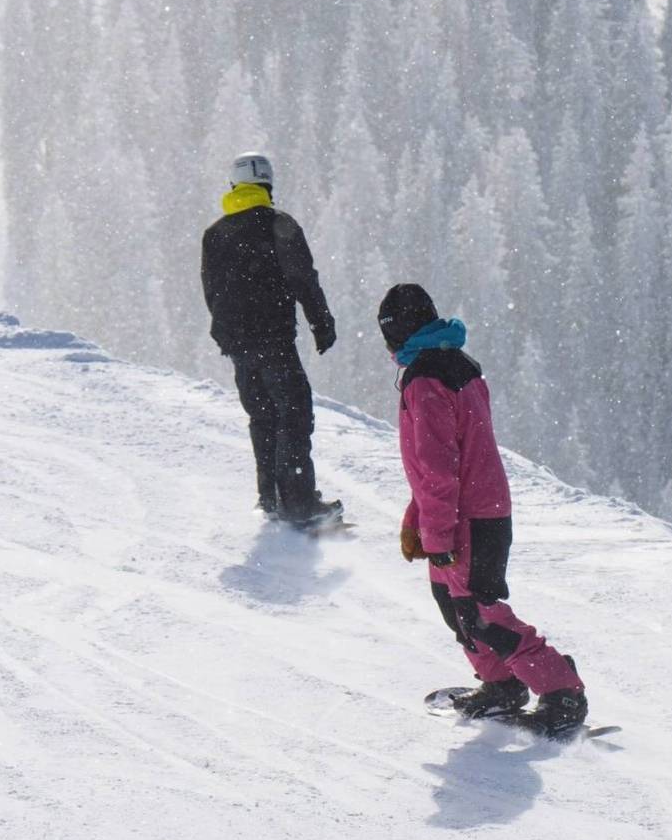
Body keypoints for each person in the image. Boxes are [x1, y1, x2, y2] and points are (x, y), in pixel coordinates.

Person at [378, 283, 588, 735]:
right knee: (453, 604)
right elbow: (445, 460)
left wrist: (437, 535)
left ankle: (562, 692)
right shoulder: (456, 365)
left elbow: (439, 467)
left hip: (467, 518)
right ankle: (502, 683)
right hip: (469, 511)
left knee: (479, 612)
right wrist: (419, 516)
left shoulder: (427, 380)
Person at [200, 151, 343, 526]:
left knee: (262, 417)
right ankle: (299, 506)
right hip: (274, 339)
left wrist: (224, 333)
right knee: (293, 415)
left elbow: (211, 290)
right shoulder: (279, 225)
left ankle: (271, 498)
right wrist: (321, 322)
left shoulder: (214, 234)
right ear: (268, 185)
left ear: (234, 185)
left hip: (239, 346)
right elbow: (302, 278)